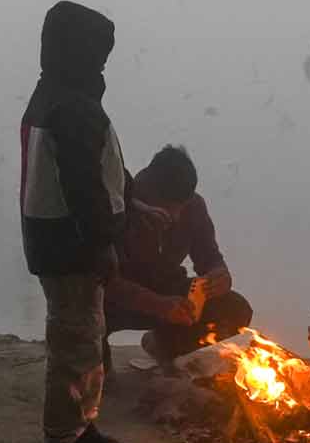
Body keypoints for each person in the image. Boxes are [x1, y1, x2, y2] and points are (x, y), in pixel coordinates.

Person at [20, 0, 133, 443]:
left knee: (85, 335)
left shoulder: (55, 94)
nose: (103, 61)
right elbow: (84, 185)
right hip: (70, 242)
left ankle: (82, 427)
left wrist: (134, 199)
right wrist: (103, 241)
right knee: (74, 340)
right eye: (99, 51)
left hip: (55, 236)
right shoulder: (73, 107)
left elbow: (98, 170)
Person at [104, 146, 253, 371]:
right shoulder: (121, 207)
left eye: (181, 207)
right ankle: (99, 361)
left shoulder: (193, 206)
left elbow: (209, 257)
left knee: (235, 308)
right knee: (86, 314)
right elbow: (106, 280)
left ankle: (165, 345)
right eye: (168, 208)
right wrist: (158, 306)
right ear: (149, 192)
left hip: (170, 292)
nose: (175, 216)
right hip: (120, 299)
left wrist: (220, 275)